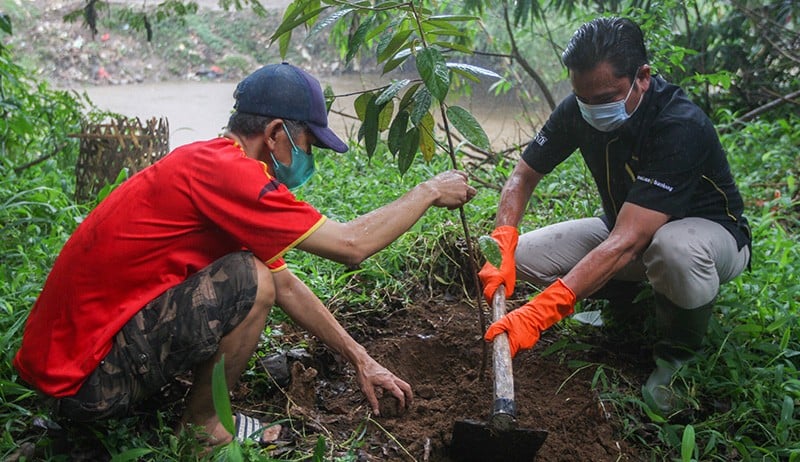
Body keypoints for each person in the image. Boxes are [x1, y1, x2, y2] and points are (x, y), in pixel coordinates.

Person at [14, 62, 476, 445]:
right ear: (276, 133)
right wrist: (428, 191)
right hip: (84, 383)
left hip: (75, 370)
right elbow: (351, 246)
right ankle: (202, 432)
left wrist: (362, 359)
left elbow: (287, 285)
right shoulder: (230, 174)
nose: (308, 156)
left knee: (260, 274)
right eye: (308, 143)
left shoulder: (212, 164)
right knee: (249, 278)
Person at [479, 17, 751, 413]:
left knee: (672, 250)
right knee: (522, 258)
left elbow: (627, 243)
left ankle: (677, 357)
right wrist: (503, 238)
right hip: (626, 230)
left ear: (642, 77)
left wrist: (542, 313)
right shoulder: (579, 109)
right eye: (582, 97)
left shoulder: (678, 124)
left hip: (709, 238)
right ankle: (627, 306)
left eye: (605, 97)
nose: (592, 109)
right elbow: (522, 176)